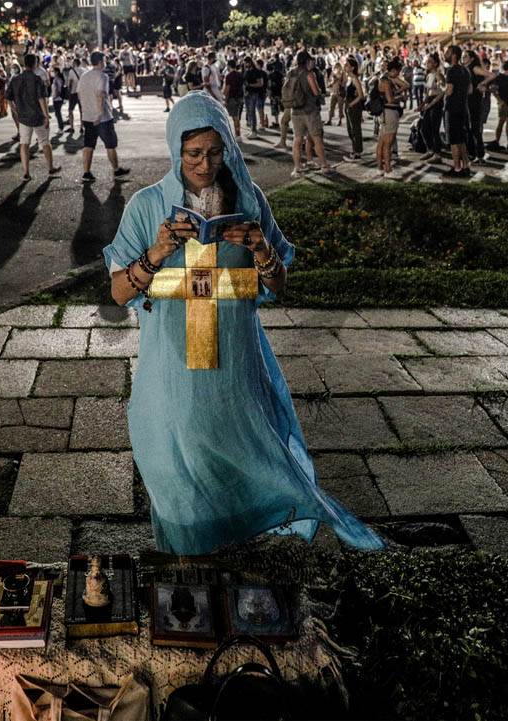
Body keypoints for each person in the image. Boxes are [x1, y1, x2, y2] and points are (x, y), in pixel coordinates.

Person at [101, 89, 388, 557]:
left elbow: (278, 285)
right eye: (193, 153)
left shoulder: (248, 198)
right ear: (176, 148)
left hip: (235, 361)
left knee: (244, 452)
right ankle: (189, 554)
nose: (204, 163)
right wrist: (156, 253)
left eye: (215, 152)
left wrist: (260, 250)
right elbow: (117, 293)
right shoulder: (148, 205)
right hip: (174, 366)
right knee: (176, 458)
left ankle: (237, 543)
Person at [76, 50, 131, 183]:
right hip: (103, 118)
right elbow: (100, 94)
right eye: (104, 60)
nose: (105, 63)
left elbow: (79, 94)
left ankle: (86, 172)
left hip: (88, 116)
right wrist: (100, 113)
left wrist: (84, 113)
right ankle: (116, 170)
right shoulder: (102, 76)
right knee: (110, 144)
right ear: (100, 62)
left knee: (89, 144)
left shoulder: (84, 76)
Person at [7, 53, 59, 182]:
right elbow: (41, 99)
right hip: (37, 116)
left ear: (24, 64)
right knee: (45, 142)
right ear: (35, 64)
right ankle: (50, 168)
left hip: (23, 117)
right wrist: (46, 115)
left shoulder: (15, 79)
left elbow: (9, 98)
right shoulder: (37, 79)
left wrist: (16, 110)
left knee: (24, 143)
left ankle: (26, 172)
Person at [289, 51, 332, 177]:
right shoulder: (309, 74)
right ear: (307, 61)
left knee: (297, 139)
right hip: (310, 111)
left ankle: (297, 167)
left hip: (295, 111)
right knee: (316, 137)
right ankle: (324, 165)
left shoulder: (290, 73)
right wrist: (320, 92)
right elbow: (315, 92)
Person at [376, 57, 407, 176]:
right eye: (398, 71)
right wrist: (400, 97)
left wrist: (397, 87)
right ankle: (388, 170)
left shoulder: (386, 78)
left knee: (382, 142)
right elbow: (390, 99)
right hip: (389, 112)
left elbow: (405, 85)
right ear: (393, 70)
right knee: (388, 143)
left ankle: (380, 167)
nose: (399, 74)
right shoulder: (386, 81)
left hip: (385, 113)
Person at [443, 45, 471, 177]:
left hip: (452, 108)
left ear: (454, 55)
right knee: (462, 139)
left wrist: (443, 89)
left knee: (454, 140)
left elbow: (449, 90)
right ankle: (466, 165)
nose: (445, 54)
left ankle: (457, 168)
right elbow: (470, 90)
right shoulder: (465, 71)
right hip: (463, 108)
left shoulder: (451, 70)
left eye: (448, 52)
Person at [487, 60, 508, 151]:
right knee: (501, 123)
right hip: (504, 104)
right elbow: (492, 90)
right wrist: (500, 100)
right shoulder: (499, 77)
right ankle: (497, 142)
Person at [417, 52, 444, 162]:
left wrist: (431, 104)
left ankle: (437, 154)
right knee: (424, 128)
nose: (427, 63)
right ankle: (430, 150)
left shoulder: (438, 74)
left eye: (430, 62)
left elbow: (443, 91)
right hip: (429, 101)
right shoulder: (428, 75)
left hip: (436, 102)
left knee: (434, 129)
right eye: (427, 61)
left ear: (436, 64)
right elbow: (427, 92)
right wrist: (422, 104)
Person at [343, 56, 365, 160]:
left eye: (347, 65)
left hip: (354, 106)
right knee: (350, 129)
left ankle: (357, 152)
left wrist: (351, 104)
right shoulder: (348, 78)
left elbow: (361, 95)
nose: (345, 67)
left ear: (352, 68)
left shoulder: (355, 79)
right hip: (348, 104)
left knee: (355, 129)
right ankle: (354, 150)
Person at [243, 57, 266, 138]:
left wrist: (249, 85)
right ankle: (252, 130)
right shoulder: (247, 71)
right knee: (249, 112)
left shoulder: (256, 71)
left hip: (253, 93)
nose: (245, 64)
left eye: (246, 63)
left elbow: (260, 83)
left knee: (252, 112)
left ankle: (254, 131)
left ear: (249, 62)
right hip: (247, 93)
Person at [222, 57, 244, 139]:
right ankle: (238, 134)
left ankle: (238, 135)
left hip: (232, 98)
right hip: (240, 97)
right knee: (238, 117)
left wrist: (224, 97)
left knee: (235, 118)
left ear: (229, 66)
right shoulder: (240, 74)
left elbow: (227, 88)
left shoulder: (229, 76)